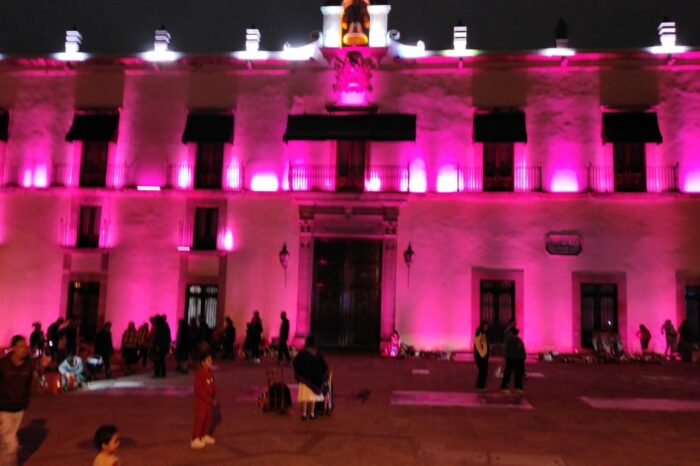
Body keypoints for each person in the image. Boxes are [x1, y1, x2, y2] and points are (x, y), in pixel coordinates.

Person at [0, 336, 48, 466]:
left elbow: (38, 377)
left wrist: (43, 366)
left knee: (6, 443)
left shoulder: (29, 364)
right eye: (20, 346)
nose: (24, 349)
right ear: (13, 348)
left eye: (25, 346)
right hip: (3, 409)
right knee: (12, 446)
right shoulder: (3, 364)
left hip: (20, 408)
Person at [293, 336, 328, 420]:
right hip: (315, 379)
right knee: (313, 397)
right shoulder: (318, 354)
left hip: (305, 379)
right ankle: (312, 413)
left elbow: (295, 363)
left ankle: (304, 414)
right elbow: (323, 366)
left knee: (304, 397)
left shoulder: (302, 353)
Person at [191, 352, 216, 450]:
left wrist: (213, 397)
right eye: (208, 360)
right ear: (202, 362)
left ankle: (204, 435)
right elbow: (198, 389)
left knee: (208, 418)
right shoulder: (200, 374)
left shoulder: (209, 372)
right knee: (200, 419)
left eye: (211, 360)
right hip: (202, 401)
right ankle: (195, 438)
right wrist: (206, 398)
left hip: (209, 401)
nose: (211, 362)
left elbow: (213, 385)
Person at [500, 328, 526, 394]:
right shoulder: (514, 340)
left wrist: (522, 357)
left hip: (515, 359)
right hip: (513, 359)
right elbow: (522, 350)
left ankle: (513, 387)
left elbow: (506, 350)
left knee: (514, 374)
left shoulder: (516, 340)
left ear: (512, 333)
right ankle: (506, 387)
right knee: (510, 374)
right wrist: (522, 357)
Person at [474, 321, 490, 391]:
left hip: (484, 355)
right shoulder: (479, 333)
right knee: (482, 370)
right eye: (485, 326)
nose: (486, 327)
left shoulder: (484, 333)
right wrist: (482, 354)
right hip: (480, 355)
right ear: (482, 326)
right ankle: (479, 386)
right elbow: (477, 345)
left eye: (487, 326)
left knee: (484, 371)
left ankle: (482, 385)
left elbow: (485, 344)